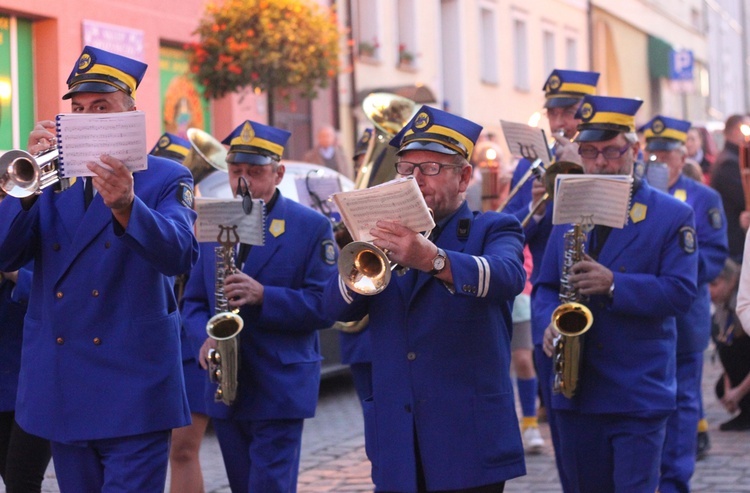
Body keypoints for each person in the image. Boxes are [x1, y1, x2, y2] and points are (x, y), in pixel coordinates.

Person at [0, 46, 199, 492]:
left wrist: (129, 205)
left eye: (101, 107)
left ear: (131, 113)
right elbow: (5, 254)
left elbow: (179, 254)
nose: (87, 117)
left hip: (133, 384)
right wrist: (24, 191)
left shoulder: (167, 177)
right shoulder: (52, 181)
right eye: (79, 109)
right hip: (63, 379)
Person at [323, 105, 527, 492]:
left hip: (469, 441)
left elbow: (506, 276)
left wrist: (431, 259)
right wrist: (357, 252)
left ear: (464, 176)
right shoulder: (380, 239)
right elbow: (329, 308)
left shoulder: (493, 228)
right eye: (406, 169)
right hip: (397, 442)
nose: (416, 180)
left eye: (431, 168)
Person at [536, 95, 699, 492]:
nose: (600, 163)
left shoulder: (672, 215)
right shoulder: (569, 206)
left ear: (634, 151)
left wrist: (614, 285)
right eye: (589, 152)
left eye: (611, 151)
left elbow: (680, 293)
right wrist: (546, 325)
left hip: (637, 391)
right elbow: (545, 286)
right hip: (577, 392)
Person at [181, 119, 337, 493]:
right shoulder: (213, 221)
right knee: (241, 484)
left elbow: (324, 306)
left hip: (279, 383)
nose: (244, 182)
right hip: (228, 384)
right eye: (236, 172)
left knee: (269, 485)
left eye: (255, 172)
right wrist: (202, 339)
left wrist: (265, 295)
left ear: (278, 173)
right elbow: (193, 302)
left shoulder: (310, 226)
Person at [504, 68, 598, 484]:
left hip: (600, 298)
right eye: (553, 114)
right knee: (564, 428)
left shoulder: (606, 159)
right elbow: (511, 230)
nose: (559, 124)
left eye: (569, 113)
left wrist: (584, 173)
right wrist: (540, 207)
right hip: (549, 300)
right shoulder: (533, 168)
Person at [638, 116, 729, 493]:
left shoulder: (703, 197)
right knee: (646, 399)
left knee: (684, 399)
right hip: (643, 312)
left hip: (684, 313)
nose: (658, 159)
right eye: (652, 152)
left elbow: (715, 255)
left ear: (682, 155)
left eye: (666, 152)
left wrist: (677, 267)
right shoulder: (637, 193)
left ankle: (675, 479)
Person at [149, 132, 210, 493]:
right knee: (166, 446)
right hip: (159, 340)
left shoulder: (200, 216)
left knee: (183, 448)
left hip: (190, 343)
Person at [0, 192, 52, 493]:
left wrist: (14, 274)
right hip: (5, 381)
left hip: (34, 380)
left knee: (22, 481)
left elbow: (59, 297)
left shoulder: (33, 223)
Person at [337, 128, 373, 405]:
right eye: (360, 162)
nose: (364, 168)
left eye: (369, 161)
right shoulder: (350, 202)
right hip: (359, 335)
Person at [710, 258, 750, 430]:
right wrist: (729, 391)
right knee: (721, 387)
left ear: (732, 280)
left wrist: (739, 391)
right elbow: (725, 344)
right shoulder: (723, 302)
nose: (710, 291)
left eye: (714, 284)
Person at [710, 114, 750, 262]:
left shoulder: (737, 157)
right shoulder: (728, 163)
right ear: (736, 131)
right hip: (736, 240)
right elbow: (744, 197)